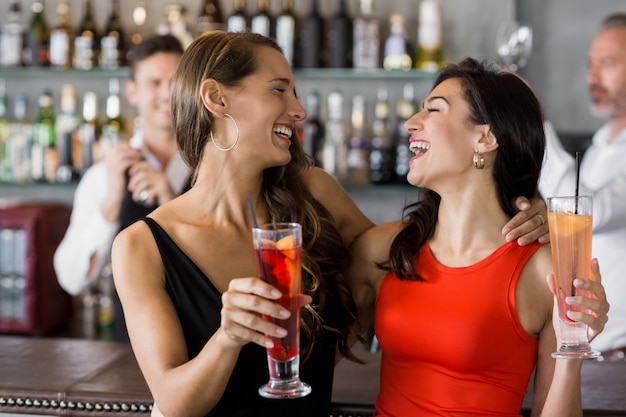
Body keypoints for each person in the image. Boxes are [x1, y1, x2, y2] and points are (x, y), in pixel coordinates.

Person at [110, 32, 549, 417]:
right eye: (279, 90)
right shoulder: (140, 247)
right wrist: (228, 337)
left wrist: (528, 210)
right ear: (217, 98)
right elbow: (173, 401)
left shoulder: (314, 193)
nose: (298, 110)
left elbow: (423, 254)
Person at [348, 58, 610, 416]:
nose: (410, 124)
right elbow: (307, 362)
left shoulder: (545, 273)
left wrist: (572, 354)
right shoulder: (384, 249)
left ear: (485, 138)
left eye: (434, 110)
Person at [54, 34, 189, 340]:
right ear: (132, 91)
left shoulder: (210, 166)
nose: (167, 94)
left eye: (176, 82)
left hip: (207, 346)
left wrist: (171, 201)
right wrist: (113, 199)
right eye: (155, 83)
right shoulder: (103, 176)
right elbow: (71, 279)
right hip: (129, 350)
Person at [539, 13, 626, 360]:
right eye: (591, 64)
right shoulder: (601, 144)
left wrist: (537, 124)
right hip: (592, 347)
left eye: (608, 63)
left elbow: (586, 209)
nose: (592, 76)